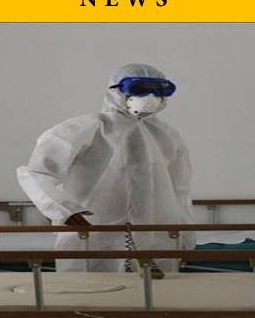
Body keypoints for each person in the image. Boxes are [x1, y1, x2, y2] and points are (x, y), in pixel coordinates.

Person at [17, 63, 195, 273]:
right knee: (90, 289)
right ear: (116, 91)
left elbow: (180, 189)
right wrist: (64, 210)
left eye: (158, 90)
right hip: (91, 230)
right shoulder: (89, 127)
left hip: (156, 232)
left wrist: (185, 234)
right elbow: (38, 172)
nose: (150, 96)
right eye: (139, 89)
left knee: (157, 289)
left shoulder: (167, 135)